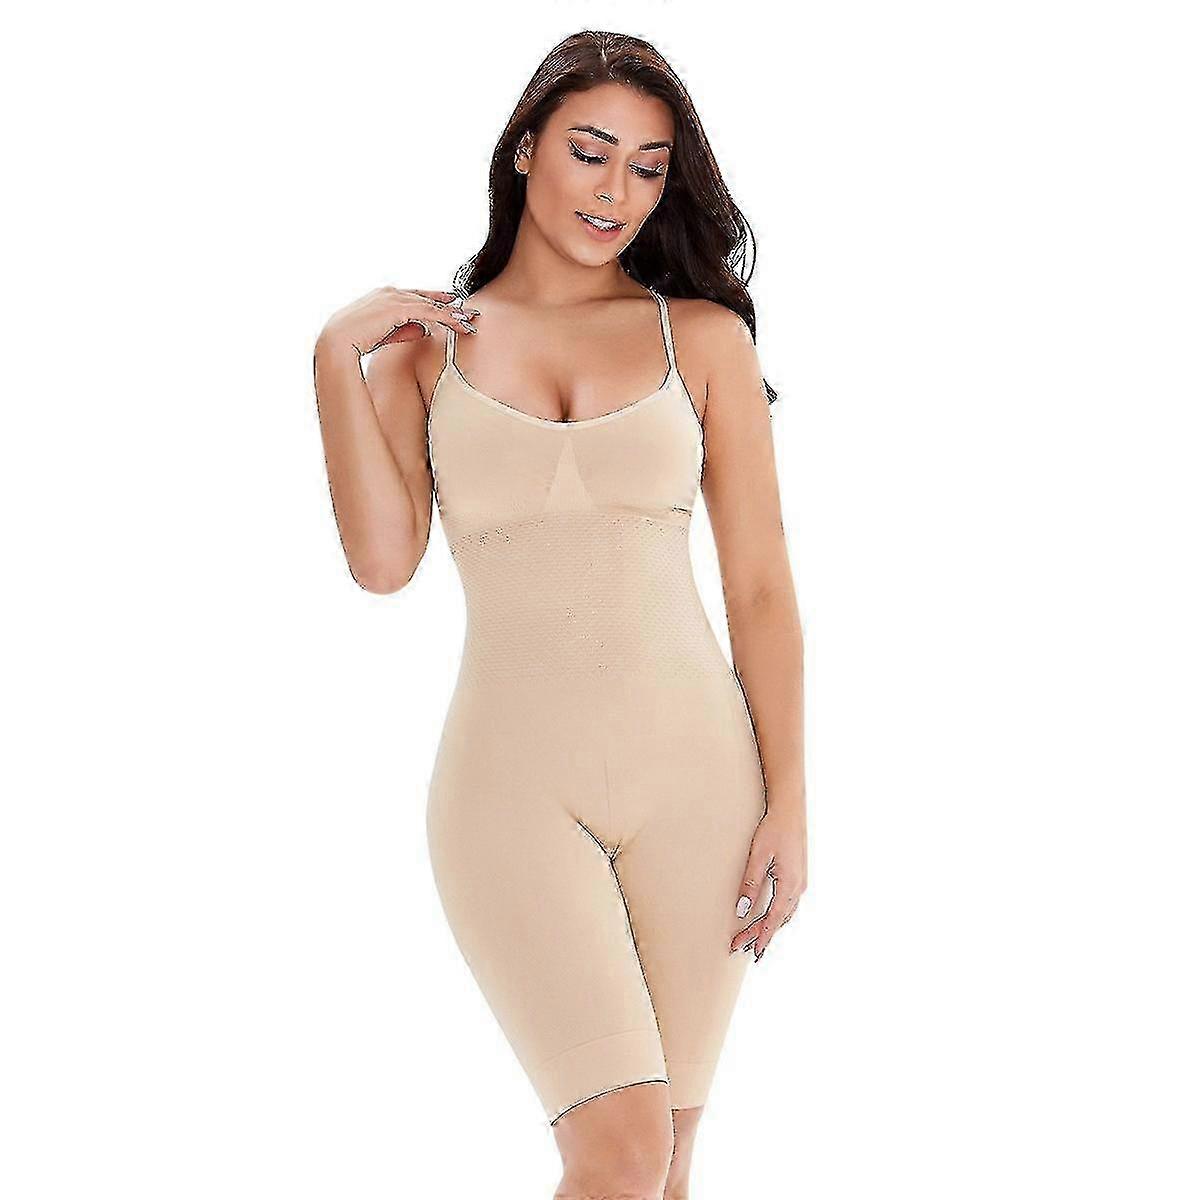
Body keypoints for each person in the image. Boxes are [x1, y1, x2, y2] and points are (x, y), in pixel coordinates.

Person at [312, 30, 807, 1200]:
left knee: (664, 1169)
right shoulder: (424, 357)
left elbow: (760, 588)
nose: (616, 190)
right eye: (591, 152)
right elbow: (381, 564)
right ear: (527, 149)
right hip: (509, 793)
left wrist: (790, 798)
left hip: (700, 785)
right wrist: (334, 356)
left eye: (647, 168)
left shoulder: (703, 340)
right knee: (617, 1153)